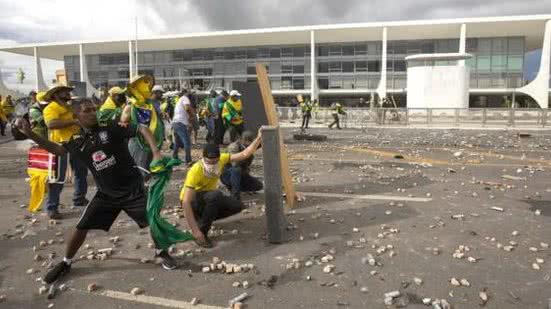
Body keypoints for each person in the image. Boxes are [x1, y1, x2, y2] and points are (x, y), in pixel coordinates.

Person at [15, 98, 178, 285]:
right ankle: (66, 262)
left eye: (94, 109)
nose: (93, 112)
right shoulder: (77, 141)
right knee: (81, 227)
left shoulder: (110, 127)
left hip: (132, 189)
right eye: (87, 110)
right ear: (76, 115)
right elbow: (56, 149)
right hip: (106, 194)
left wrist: (156, 152)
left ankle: (162, 252)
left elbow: (141, 128)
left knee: (153, 220)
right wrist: (29, 132)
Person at [180, 135, 262, 248]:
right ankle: (202, 232)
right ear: (203, 158)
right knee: (215, 195)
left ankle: (204, 218)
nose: (212, 165)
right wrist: (195, 231)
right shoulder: (195, 170)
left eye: (215, 162)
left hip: (209, 197)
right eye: (209, 162)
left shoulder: (222, 159)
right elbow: (185, 202)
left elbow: (244, 154)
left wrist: (258, 138)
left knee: (237, 205)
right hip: (193, 202)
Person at [43, 85, 89, 219]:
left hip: (74, 142)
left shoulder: (68, 107)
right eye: (65, 91)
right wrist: (73, 121)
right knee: (58, 178)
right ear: (56, 94)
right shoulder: (51, 108)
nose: (69, 93)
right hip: (59, 145)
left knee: (81, 171)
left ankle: (79, 198)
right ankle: (52, 207)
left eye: (69, 91)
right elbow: (51, 124)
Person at [121, 75, 165, 179]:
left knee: (148, 172)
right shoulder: (131, 107)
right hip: (139, 145)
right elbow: (123, 124)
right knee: (140, 173)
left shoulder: (149, 105)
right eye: (144, 85)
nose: (148, 88)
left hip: (152, 144)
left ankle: (145, 193)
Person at [221, 131, 263, 201]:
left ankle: (236, 187)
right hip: (227, 174)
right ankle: (235, 197)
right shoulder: (233, 147)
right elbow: (234, 164)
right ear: (244, 140)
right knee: (236, 170)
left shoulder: (246, 148)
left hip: (240, 174)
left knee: (258, 186)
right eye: (249, 142)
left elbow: (246, 167)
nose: (250, 144)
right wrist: (246, 154)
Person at [172, 90, 193, 165]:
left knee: (177, 142)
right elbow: (187, 108)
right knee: (187, 142)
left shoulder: (179, 100)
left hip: (175, 122)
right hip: (180, 123)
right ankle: (188, 160)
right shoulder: (185, 98)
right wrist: (191, 115)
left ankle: (174, 157)